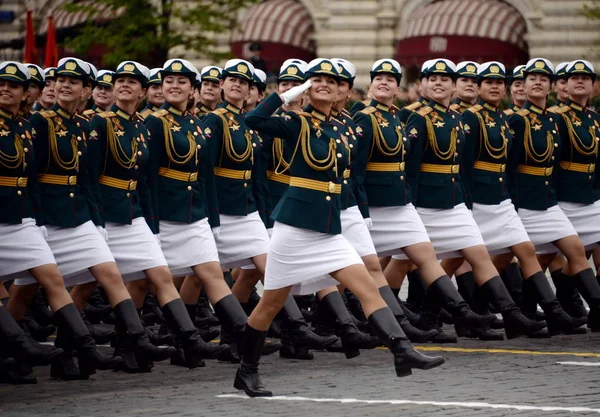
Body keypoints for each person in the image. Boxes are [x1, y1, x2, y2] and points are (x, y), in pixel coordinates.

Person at [239, 57, 445, 397]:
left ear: (342, 92)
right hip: (294, 228)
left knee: (365, 284)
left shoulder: (345, 128)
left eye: (332, 81)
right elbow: (254, 119)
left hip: (329, 227)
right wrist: (289, 94)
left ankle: (401, 351)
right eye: (317, 79)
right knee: (271, 303)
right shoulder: (297, 123)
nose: (324, 84)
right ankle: (247, 370)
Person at [10, 57, 173, 380]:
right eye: (61, 80)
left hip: (78, 216)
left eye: (73, 81)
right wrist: (37, 220)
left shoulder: (82, 126)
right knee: (25, 292)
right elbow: (31, 176)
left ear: (86, 89)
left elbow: (86, 178)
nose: (64, 85)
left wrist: (95, 222)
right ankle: (16, 353)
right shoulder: (40, 124)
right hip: (40, 218)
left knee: (105, 276)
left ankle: (124, 342)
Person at [405, 58, 545, 339]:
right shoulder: (418, 118)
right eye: (433, 79)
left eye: (445, 79)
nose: (439, 84)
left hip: (455, 202)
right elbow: (411, 169)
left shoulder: (456, 119)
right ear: (423, 85)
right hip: (426, 204)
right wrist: (412, 204)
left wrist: (464, 200)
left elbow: (462, 166)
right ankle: (423, 319)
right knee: (410, 264)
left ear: (454, 86)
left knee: (478, 255)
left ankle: (511, 314)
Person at [461, 61, 586, 336]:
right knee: (462, 261)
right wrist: (466, 203)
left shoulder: (503, 119)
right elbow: (465, 165)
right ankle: (459, 314)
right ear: (480, 87)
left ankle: (550, 311)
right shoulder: (472, 117)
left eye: (498, 83)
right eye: (488, 83)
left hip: (502, 198)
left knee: (524, 251)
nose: (494, 87)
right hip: (480, 200)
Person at [508, 57, 600, 332]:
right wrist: (511, 203)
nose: (538, 82)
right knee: (526, 259)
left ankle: (573, 308)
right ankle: (519, 311)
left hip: (556, 200)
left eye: (543, 79)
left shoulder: (562, 120)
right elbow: (510, 166)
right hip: (529, 201)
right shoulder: (519, 120)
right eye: (532, 78)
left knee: (569, 253)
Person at [552, 59, 600, 331]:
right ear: (565, 86)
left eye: (586, 77)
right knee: (555, 256)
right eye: (574, 77)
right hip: (563, 196)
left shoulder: (595, 120)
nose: (580, 80)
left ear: (593, 85)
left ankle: (592, 309)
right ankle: (556, 303)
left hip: (590, 195)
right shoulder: (557, 118)